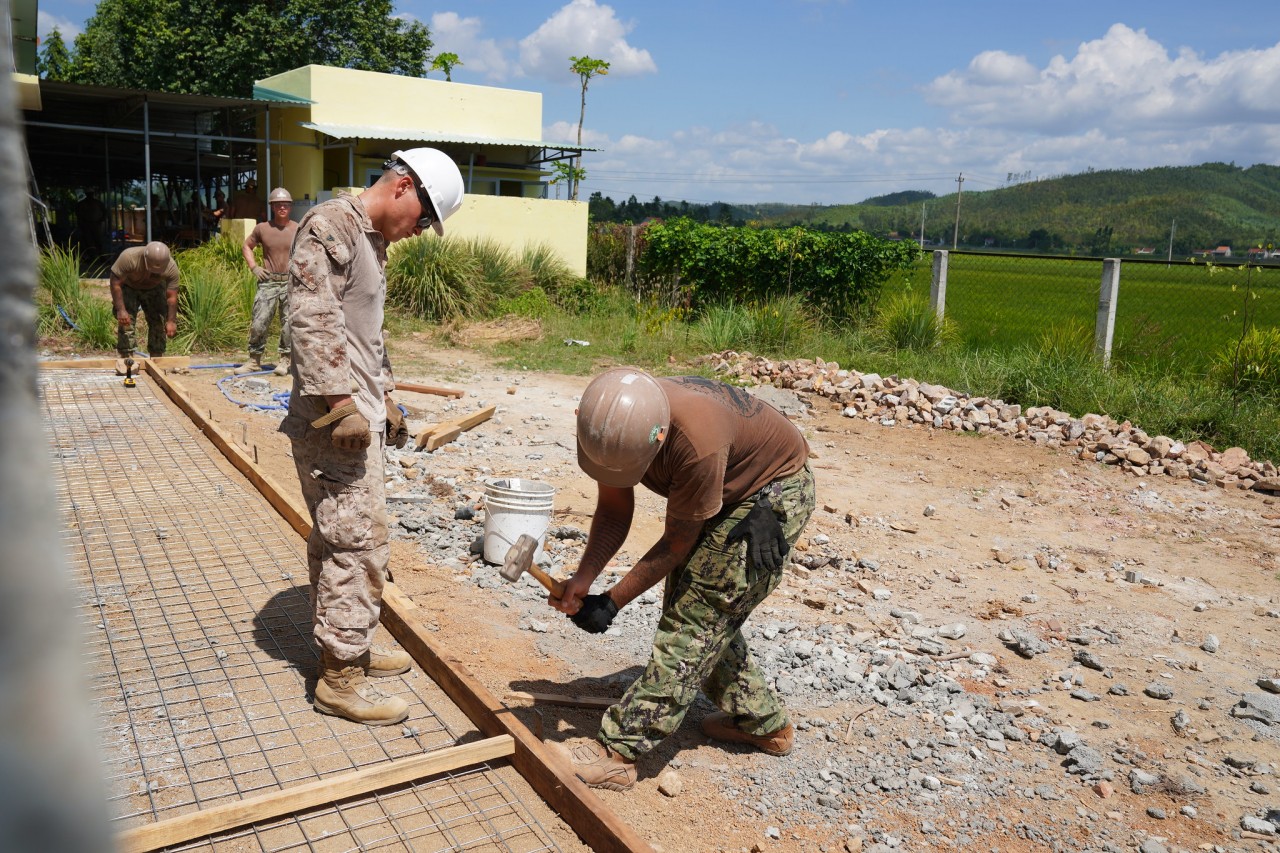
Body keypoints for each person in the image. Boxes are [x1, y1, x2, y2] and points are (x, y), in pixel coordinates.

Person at [548, 369, 816, 791]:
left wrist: (613, 601)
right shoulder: (613, 421)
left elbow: (675, 544)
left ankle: (619, 751)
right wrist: (585, 578)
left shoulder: (695, 446)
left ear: (657, 440)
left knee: (696, 617)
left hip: (770, 493)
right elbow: (615, 509)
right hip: (729, 476)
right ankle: (762, 722)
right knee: (697, 609)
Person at [278, 148, 464, 726]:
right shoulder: (331, 226)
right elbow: (311, 317)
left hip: (358, 418)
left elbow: (366, 334)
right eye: (424, 219)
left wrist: (383, 396)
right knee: (356, 543)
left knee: (348, 537)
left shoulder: (370, 241)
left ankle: (348, 645)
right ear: (404, 186)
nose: (419, 232)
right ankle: (340, 677)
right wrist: (341, 406)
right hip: (336, 427)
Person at [235, 188, 299, 376]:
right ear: (272, 207)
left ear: (290, 207)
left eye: (286, 204)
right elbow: (247, 246)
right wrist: (254, 267)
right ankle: (254, 360)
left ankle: (285, 360)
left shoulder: (298, 228)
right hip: (269, 281)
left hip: (290, 282)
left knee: (289, 323)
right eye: (278, 204)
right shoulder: (262, 228)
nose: (282, 207)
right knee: (259, 322)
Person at [109, 241, 179, 375]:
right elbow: (115, 283)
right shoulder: (128, 257)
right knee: (126, 322)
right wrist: (121, 309)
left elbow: (172, 297)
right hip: (129, 286)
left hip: (155, 288)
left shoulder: (171, 267)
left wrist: (171, 321)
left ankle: (157, 360)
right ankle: (127, 360)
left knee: (159, 322)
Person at [75, 190, 108, 258]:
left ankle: (101, 255)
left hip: (96, 224)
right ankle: (91, 256)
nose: (90, 195)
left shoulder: (98, 203)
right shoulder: (82, 203)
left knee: (98, 240)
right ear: (86, 194)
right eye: (88, 193)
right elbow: (78, 213)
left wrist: (101, 220)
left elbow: (105, 212)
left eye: (91, 193)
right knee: (88, 241)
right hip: (86, 225)